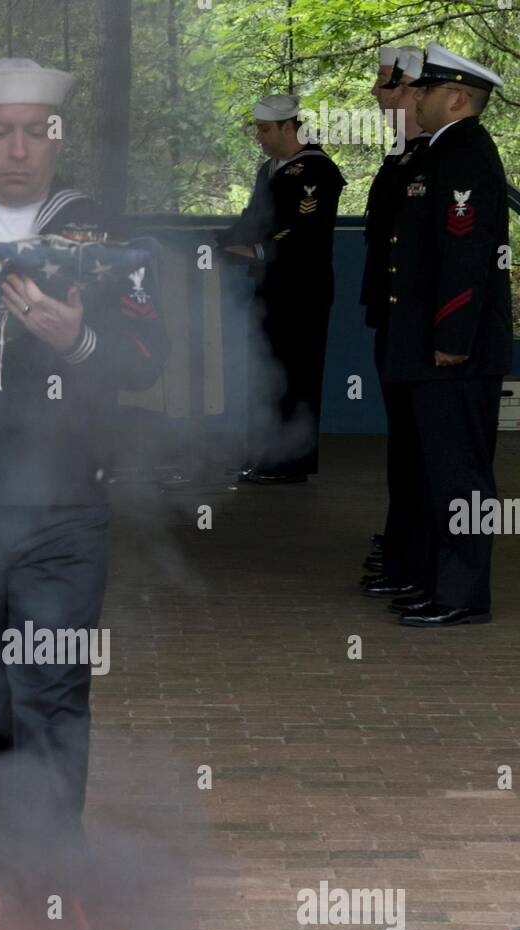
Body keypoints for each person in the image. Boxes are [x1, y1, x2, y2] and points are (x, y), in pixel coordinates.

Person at [0, 58, 169, 895]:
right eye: (1, 131)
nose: (20, 149)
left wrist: (77, 341)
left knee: (52, 693)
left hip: (65, 505)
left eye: (37, 131)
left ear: (56, 136)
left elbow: (148, 359)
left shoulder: (102, 234)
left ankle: (51, 881)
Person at [377, 45, 512, 626]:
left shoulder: (464, 156)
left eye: (424, 90)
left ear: (457, 97)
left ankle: (462, 594)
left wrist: (452, 335)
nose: (413, 98)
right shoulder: (438, 154)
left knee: (460, 474)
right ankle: (439, 579)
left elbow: (466, 255)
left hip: (452, 348)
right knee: (436, 468)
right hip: (428, 346)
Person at [216, 94, 346, 484]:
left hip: (301, 288)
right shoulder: (269, 168)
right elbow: (253, 217)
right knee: (270, 373)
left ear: (290, 127)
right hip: (270, 285)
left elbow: (305, 231)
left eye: (265, 129)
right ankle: (268, 453)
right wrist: (218, 240)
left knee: (296, 374)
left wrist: (255, 250)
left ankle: (291, 460)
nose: (259, 136)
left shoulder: (317, 172)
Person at [359, 45, 434, 600]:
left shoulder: (437, 160)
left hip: (424, 327)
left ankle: (416, 554)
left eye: (389, 85)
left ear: (416, 93)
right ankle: (404, 544)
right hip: (396, 318)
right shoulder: (401, 158)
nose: (379, 95)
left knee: (423, 448)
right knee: (404, 447)